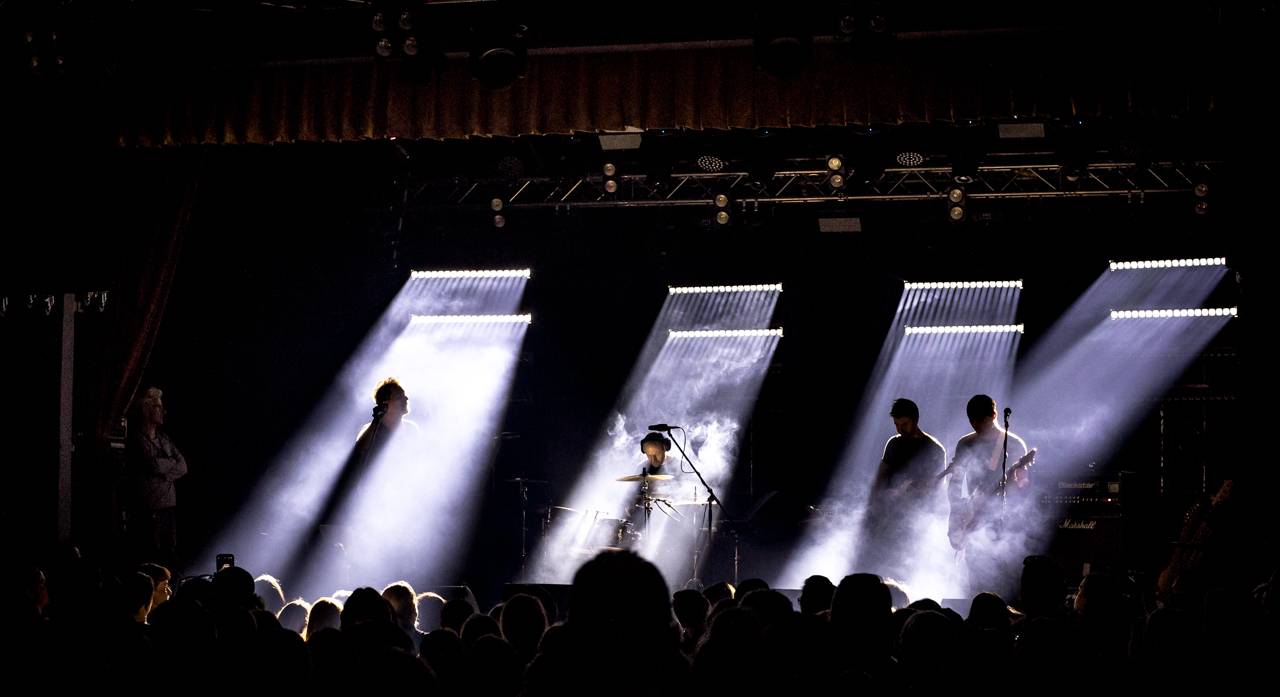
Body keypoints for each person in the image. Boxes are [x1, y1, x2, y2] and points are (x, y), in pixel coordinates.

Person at [946, 394, 1035, 595]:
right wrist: (956, 512)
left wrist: (1013, 482)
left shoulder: (1012, 443)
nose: (976, 427)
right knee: (974, 578)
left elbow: (1022, 487)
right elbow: (955, 481)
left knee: (1003, 581)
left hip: (1004, 521)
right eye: (973, 423)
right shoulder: (965, 443)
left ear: (994, 415)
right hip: (972, 518)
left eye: (981, 422)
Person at [860, 398, 947, 577]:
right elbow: (880, 479)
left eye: (904, 424)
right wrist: (874, 506)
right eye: (896, 424)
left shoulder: (934, 449)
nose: (899, 429)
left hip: (914, 523)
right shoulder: (894, 444)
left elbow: (937, 493)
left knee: (906, 570)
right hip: (887, 519)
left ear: (915, 421)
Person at [124, 387, 187, 566]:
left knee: (169, 554)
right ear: (147, 409)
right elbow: (154, 465)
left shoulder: (163, 438)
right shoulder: (137, 439)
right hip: (150, 509)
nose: (163, 411)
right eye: (158, 407)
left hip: (168, 508)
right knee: (152, 555)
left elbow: (183, 465)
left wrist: (164, 471)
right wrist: (168, 466)